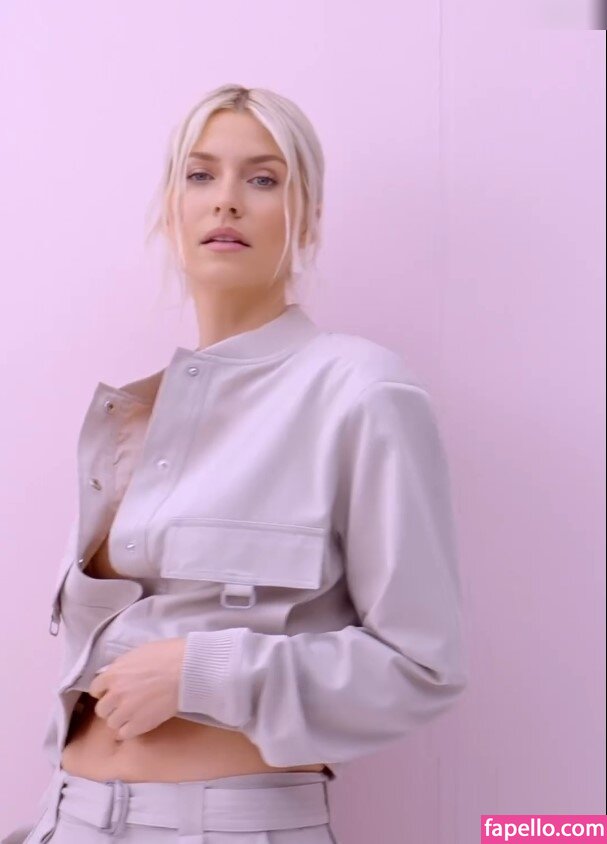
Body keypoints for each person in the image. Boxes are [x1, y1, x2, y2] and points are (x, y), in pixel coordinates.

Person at [4, 83, 468, 844]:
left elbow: (423, 667)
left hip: (228, 827)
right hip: (69, 818)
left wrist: (205, 670)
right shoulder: (133, 415)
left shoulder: (359, 390)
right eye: (200, 175)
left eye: (262, 178)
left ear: (306, 218)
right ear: (171, 209)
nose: (225, 200)